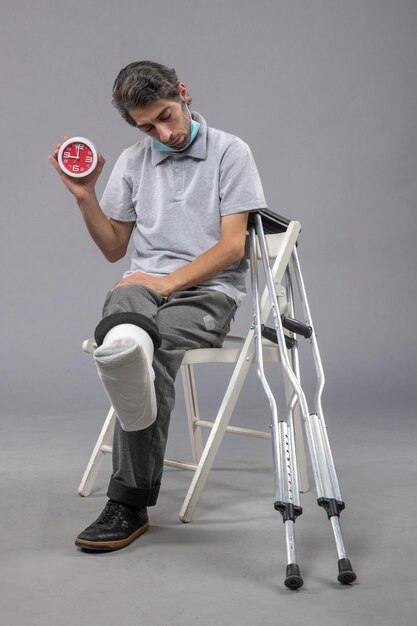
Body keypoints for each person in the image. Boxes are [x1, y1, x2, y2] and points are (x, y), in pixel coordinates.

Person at [49, 60, 267, 551]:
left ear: (183, 93)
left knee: (153, 347)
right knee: (127, 311)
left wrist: (167, 284)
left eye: (167, 116)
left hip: (208, 293)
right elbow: (112, 248)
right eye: (147, 126)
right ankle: (128, 346)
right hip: (143, 290)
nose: (163, 132)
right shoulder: (132, 162)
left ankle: (127, 502)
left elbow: (234, 247)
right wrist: (84, 196)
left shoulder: (231, 153)